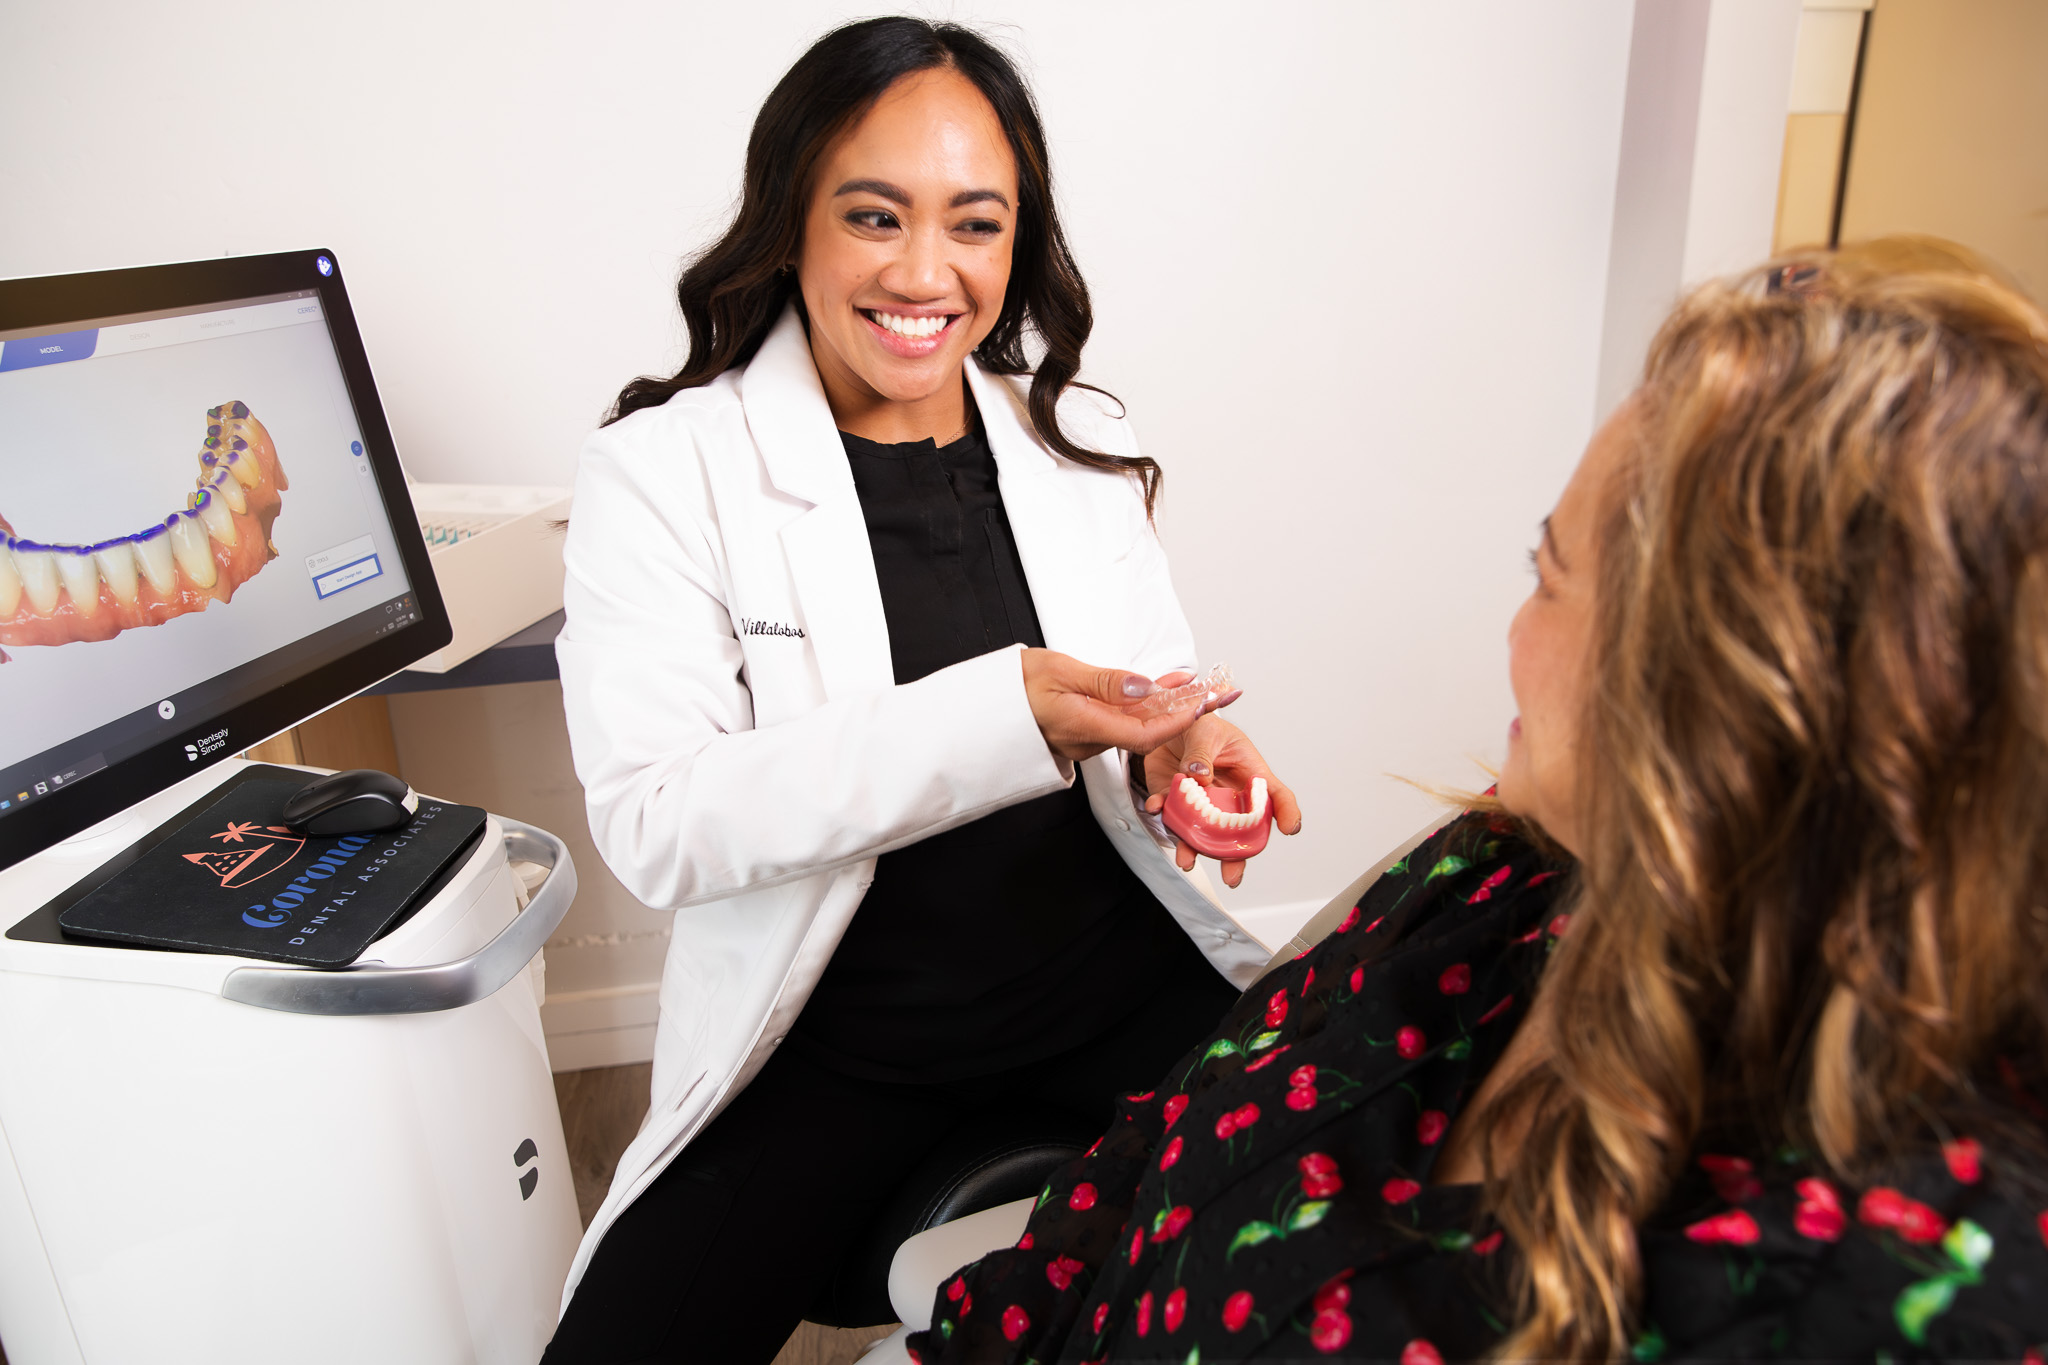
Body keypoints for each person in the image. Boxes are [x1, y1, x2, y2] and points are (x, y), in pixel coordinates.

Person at [905, 239, 2048, 1362]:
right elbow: (1162, 1151)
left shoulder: (1886, 1291)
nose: (1511, 632)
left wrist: (1141, 725)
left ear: (1723, 695)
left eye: (1547, 577)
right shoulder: (1495, 871)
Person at [544, 18, 1300, 1362]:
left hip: (1104, 990)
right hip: (835, 1038)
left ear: (1017, 247)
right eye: (876, 216)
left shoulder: (1081, 438)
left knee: (1328, 1241)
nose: (922, 272)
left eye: (975, 225)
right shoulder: (662, 473)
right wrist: (1008, 707)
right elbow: (659, 820)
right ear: (792, 223)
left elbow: (1146, 701)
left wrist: (1187, 752)